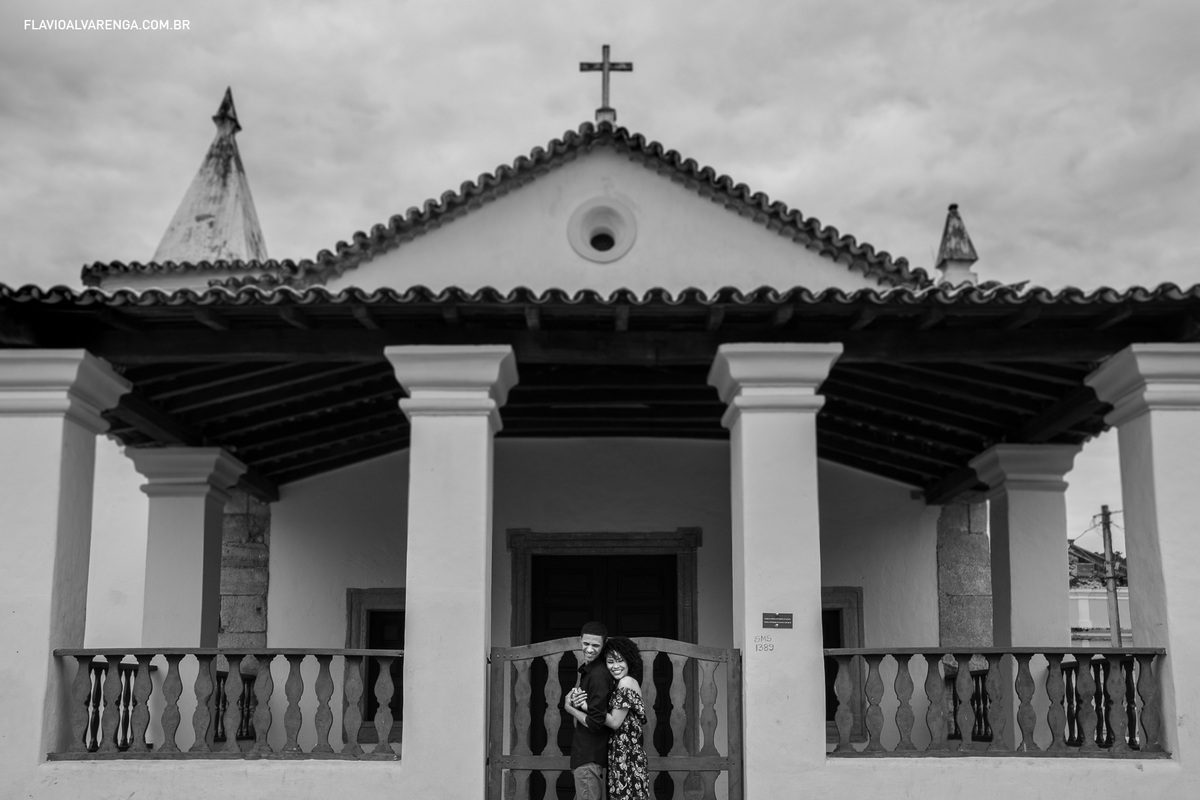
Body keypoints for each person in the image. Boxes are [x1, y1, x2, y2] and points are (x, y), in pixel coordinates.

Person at [572, 636, 650, 800]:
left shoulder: (626, 682)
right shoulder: (619, 684)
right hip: (619, 755)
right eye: (610, 661)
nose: (615, 666)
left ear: (629, 661)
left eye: (620, 661)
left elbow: (615, 722)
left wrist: (585, 705)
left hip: (628, 756)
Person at [563, 621, 613, 800]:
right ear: (580, 641)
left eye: (596, 645)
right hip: (585, 756)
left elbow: (595, 721)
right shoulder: (589, 671)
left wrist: (570, 708)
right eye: (586, 644)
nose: (590, 649)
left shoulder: (598, 675)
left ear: (604, 645)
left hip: (589, 757)